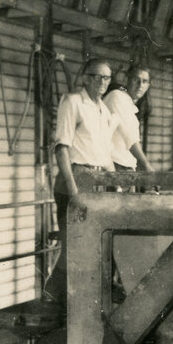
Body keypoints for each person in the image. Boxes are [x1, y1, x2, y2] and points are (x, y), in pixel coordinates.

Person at [46, 58, 126, 309]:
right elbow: (61, 149)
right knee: (74, 243)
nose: (102, 82)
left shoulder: (103, 110)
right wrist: (74, 193)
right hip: (75, 180)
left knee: (94, 242)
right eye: (97, 77)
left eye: (107, 78)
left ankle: (80, 298)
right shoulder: (73, 103)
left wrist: (116, 184)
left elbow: (103, 153)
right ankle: (52, 297)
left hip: (98, 180)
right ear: (85, 77)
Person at [103, 65, 154, 172]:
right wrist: (146, 165)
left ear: (148, 86)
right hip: (113, 166)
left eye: (144, 81)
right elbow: (129, 137)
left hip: (127, 166)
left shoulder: (129, 104)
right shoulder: (117, 96)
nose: (140, 85)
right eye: (136, 79)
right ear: (126, 79)